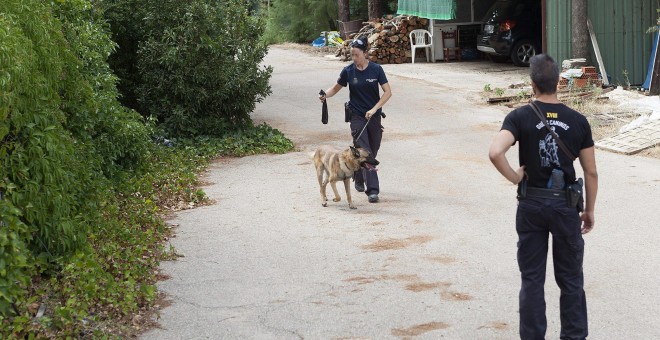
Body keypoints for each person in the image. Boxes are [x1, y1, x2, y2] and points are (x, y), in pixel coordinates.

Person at [488, 54, 598, 340]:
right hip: (565, 207)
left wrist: (515, 177)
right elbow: (591, 172)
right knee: (571, 279)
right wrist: (589, 211)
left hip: (532, 205)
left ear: (532, 84)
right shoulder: (578, 121)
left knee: (532, 279)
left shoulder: (520, 116)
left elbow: (495, 152)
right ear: (559, 83)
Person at [319, 36, 392, 203]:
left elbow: (388, 92)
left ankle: (358, 175)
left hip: (373, 116)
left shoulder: (376, 69)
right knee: (367, 150)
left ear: (365, 53)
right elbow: (335, 88)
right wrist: (325, 96)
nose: (354, 58)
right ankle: (373, 190)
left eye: (356, 54)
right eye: (351, 55)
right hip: (357, 117)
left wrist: (374, 109)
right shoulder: (348, 71)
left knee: (373, 148)